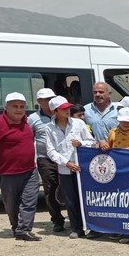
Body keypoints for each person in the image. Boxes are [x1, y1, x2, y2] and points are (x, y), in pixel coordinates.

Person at [0, 92, 41, 241]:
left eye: (22, 106)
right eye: (14, 106)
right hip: (7, 173)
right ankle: (16, 227)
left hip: (30, 171)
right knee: (12, 205)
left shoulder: (27, 121)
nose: (19, 109)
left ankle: (24, 229)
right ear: (6, 107)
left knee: (29, 201)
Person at [45, 95, 96, 239]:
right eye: (63, 109)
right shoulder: (49, 128)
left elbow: (91, 141)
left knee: (84, 198)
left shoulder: (78, 123)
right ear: (56, 111)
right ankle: (76, 228)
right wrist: (66, 163)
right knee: (70, 199)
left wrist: (81, 144)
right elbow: (51, 150)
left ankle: (91, 227)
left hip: (81, 167)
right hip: (65, 169)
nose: (67, 110)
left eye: (68, 108)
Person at [28, 87, 66, 233]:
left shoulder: (62, 114)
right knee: (50, 189)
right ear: (39, 101)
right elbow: (29, 137)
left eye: (52, 98)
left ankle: (75, 217)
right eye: (46, 100)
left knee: (68, 188)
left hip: (64, 158)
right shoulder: (33, 118)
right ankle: (57, 219)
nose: (50, 102)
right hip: (45, 159)